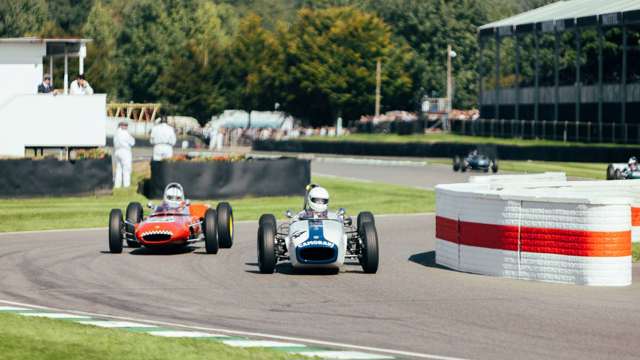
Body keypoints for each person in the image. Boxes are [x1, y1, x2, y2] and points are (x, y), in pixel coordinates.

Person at [113, 121, 135, 188]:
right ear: (123, 126)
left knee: (118, 169)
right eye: (125, 125)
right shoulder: (126, 133)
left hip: (117, 151)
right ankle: (126, 185)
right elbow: (132, 142)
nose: (126, 127)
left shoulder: (116, 133)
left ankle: (117, 185)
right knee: (126, 169)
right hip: (125, 151)